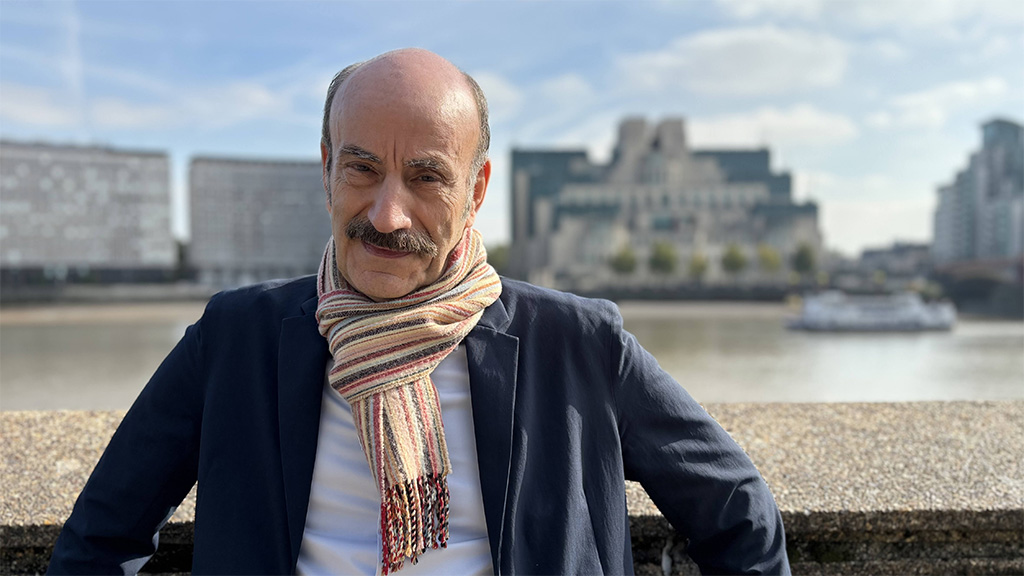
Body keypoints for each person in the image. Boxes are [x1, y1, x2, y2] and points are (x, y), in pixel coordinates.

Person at [48, 48, 789, 575]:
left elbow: (737, 512)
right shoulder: (233, 340)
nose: (387, 214)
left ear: (476, 190)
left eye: (427, 176)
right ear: (327, 170)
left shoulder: (579, 343)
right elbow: (100, 539)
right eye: (361, 168)